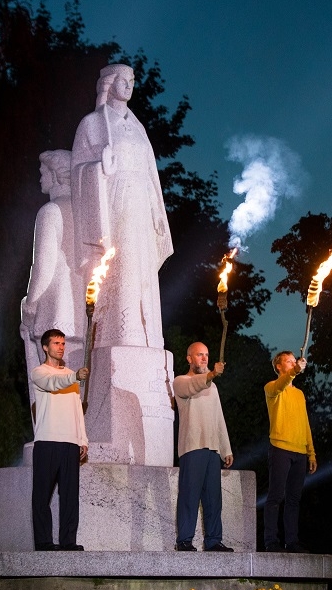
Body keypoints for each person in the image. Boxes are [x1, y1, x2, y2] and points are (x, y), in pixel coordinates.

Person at [70, 63, 173, 350]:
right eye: (123, 79)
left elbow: (151, 174)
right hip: (116, 204)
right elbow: (77, 170)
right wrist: (98, 168)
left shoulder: (138, 128)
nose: (129, 85)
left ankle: (146, 331)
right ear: (109, 83)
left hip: (141, 202)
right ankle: (122, 331)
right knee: (124, 264)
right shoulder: (93, 124)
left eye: (132, 80)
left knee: (143, 270)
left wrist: (157, 211)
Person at [20, 150, 85, 423]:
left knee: (48, 389)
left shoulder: (50, 211)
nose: (40, 178)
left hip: (52, 312)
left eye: (44, 172)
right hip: (80, 315)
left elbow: (43, 266)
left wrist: (30, 304)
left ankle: (51, 438)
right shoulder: (84, 213)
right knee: (75, 389)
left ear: (57, 175)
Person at [31, 328, 90, 551]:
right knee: (42, 495)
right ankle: (43, 542)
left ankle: (68, 542)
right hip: (47, 441)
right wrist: (74, 376)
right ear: (45, 347)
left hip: (70, 443)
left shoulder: (71, 375)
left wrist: (82, 439)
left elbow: (77, 410)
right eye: (56, 343)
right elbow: (52, 384)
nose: (61, 347)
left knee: (69, 496)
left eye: (63, 343)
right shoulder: (39, 372)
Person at [172, 341, 234, 552]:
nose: (204, 358)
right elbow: (193, 386)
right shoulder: (181, 381)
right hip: (192, 447)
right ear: (189, 358)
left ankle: (214, 540)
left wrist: (226, 448)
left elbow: (219, 418)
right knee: (189, 495)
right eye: (199, 355)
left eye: (206, 355)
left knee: (213, 499)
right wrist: (211, 375)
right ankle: (184, 540)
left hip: (212, 449)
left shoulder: (212, 387)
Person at [262, 351, 317, 553]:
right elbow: (280, 385)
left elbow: (305, 424)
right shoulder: (271, 387)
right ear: (279, 366)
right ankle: (271, 541)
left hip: (299, 451)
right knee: (276, 495)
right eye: (289, 361)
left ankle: (292, 542)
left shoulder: (299, 394)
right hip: (280, 448)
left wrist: (311, 453)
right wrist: (294, 372)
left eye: (295, 361)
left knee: (294, 498)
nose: (294, 363)